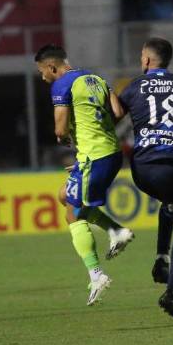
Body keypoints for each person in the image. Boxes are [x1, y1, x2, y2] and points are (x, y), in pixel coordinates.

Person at [34, 44, 134, 306]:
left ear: (52, 67)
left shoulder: (61, 85)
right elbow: (119, 112)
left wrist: (66, 138)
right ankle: (117, 231)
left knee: (72, 212)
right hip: (109, 152)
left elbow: (59, 127)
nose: (42, 77)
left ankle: (97, 274)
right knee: (63, 196)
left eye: (42, 72)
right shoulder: (96, 79)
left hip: (95, 156)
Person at [111, 38, 173, 318]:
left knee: (168, 201)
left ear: (147, 60)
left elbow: (113, 118)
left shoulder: (134, 86)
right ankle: (171, 291)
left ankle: (162, 257)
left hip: (142, 168)